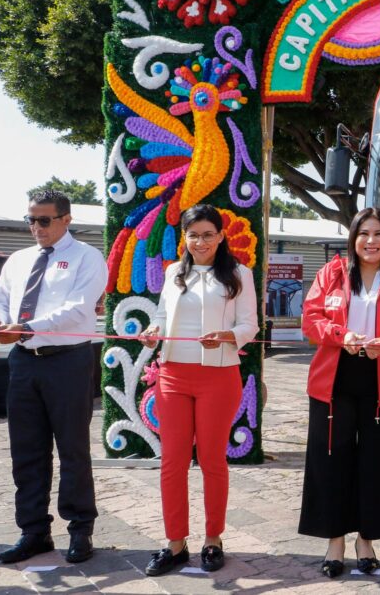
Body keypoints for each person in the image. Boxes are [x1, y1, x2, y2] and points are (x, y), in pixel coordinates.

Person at [299, 207, 380, 577]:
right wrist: (342, 336)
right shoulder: (332, 273)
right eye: (364, 233)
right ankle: (334, 541)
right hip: (334, 379)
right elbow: (311, 318)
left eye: (379, 234)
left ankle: (366, 541)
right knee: (330, 461)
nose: (371, 241)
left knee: (376, 463)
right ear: (353, 239)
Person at [136, 204, 259, 575]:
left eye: (208, 234)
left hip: (219, 377)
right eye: (193, 235)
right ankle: (175, 543)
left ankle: (213, 539)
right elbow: (160, 317)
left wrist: (228, 336)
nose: (200, 242)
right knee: (172, 462)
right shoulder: (174, 273)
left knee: (211, 460)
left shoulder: (239, 274)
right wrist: (152, 333)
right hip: (173, 375)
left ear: (220, 236)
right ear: (184, 238)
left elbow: (250, 324)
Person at [0, 190, 106, 564]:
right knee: (27, 450)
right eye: (30, 220)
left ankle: (80, 530)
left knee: (73, 450)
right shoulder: (20, 260)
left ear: (66, 219)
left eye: (44, 220)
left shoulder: (88, 258)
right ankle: (34, 532)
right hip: (24, 361)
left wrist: (23, 327)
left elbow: (76, 311)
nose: (35, 228)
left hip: (68, 361)